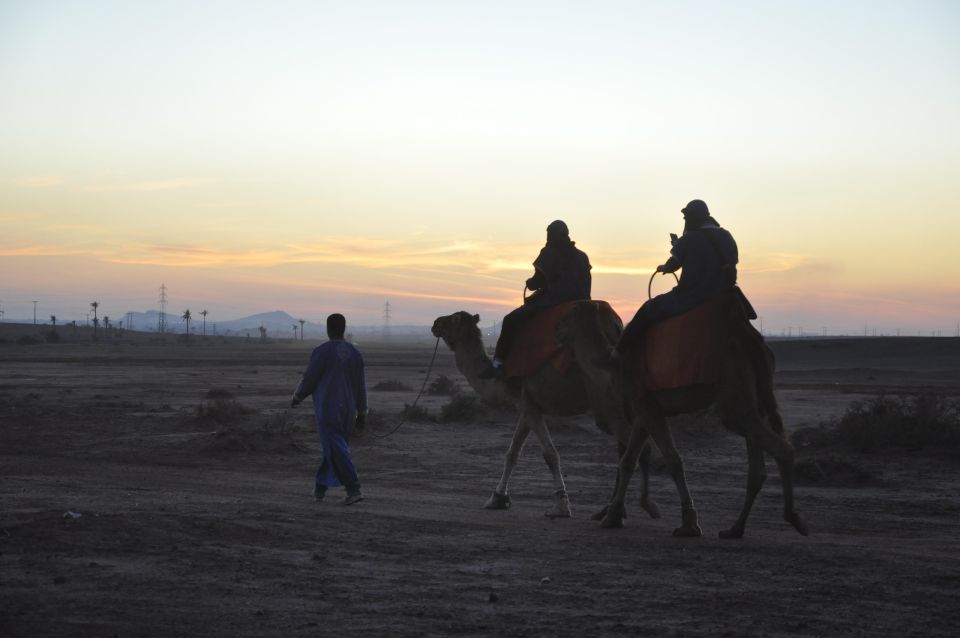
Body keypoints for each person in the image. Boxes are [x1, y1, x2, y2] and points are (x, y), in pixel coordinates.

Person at [598, 199, 738, 366]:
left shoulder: (689, 239)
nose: (685, 221)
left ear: (692, 217)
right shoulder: (727, 236)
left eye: (686, 218)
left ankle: (616, 356)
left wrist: (663, 267)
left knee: (646, 310)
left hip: (692, 295)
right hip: (724, 293)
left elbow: (673, 265)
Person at [480, 220, 592, 378]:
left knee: (510, 320)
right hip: (583, 302)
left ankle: (498, 363)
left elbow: (538, 281)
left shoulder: (549, 252)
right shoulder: (582, 256)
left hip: (554, 300)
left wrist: (530, 283)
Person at [291, 313, 368, 505]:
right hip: (349, 410)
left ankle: (353, 488)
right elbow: (361, 385)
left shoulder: (322, 352)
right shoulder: (355, 353)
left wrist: (297, 397)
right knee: (333, 448)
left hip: (328, 407)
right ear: (344, 328)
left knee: (336, 448)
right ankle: (320, 489)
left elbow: (310, 378)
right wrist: (362, 412)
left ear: (328, 329)